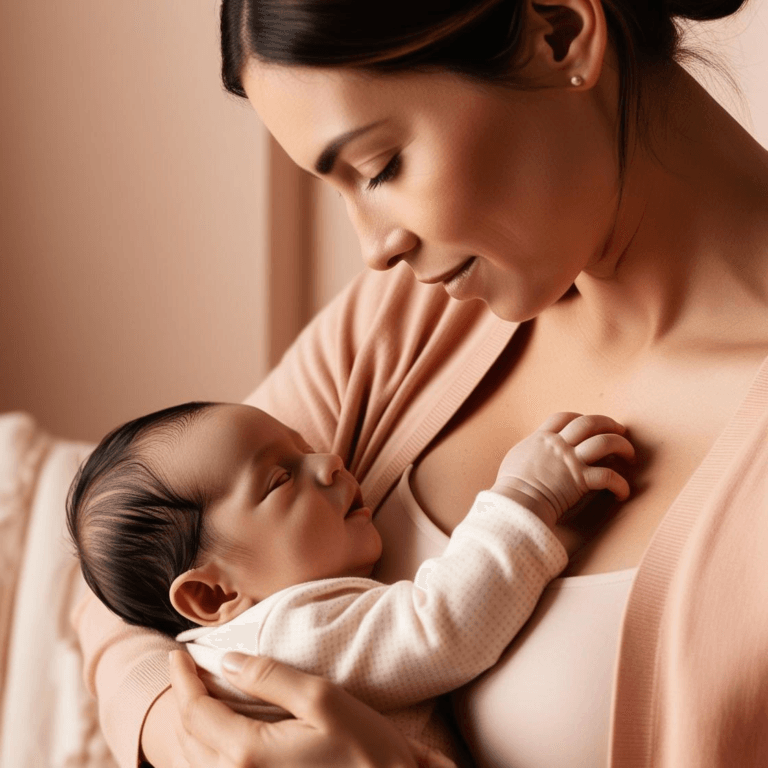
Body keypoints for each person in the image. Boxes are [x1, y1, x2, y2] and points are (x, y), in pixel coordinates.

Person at [70, 0, 768, 766]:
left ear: (559, 34)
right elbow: (121, 573)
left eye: (380, 167)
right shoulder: (412, 316)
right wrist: (192, 730)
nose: (373, 248)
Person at [67, 400, 634, 766]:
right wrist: (524, 500)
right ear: (212, 594)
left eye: (304, 445)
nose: (331, 460)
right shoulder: (279, 637)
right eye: (280, 478)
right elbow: (440, 627)